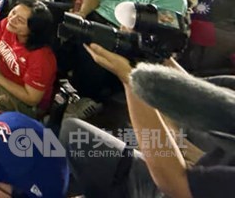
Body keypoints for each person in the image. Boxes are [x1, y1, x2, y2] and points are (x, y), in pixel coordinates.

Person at [61, 48, 234, 198]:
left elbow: (174, 184)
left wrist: (131, 80)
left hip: (174, 186)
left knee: (73, 137)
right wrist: (158, 54)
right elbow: (199, 93)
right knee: (71, 130)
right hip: (203, 168)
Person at [68, 0, 187, 106]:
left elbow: (164, 34)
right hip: (98, 17)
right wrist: (82, 13)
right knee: (48, 21)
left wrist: (133, 33)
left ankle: (89, 100)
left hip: (127, 34)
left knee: (91, 52)